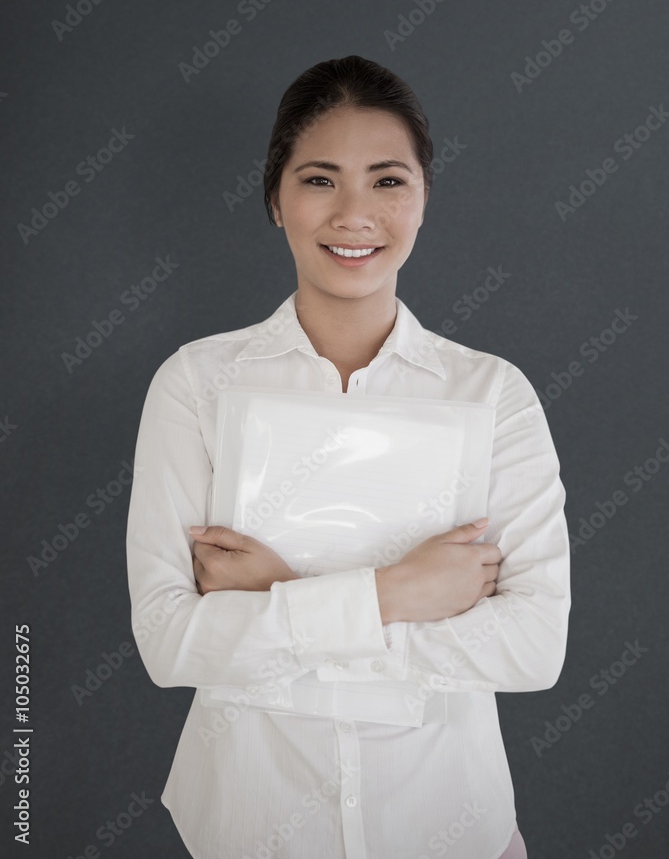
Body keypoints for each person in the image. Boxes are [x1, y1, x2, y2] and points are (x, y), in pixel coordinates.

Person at [125, 54, 571, 858]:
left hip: (451, 825)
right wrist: (401, 592)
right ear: (276, 199)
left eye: (388, 181)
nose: (355, 213)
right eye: (321, 179)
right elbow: (169, 640)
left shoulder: (491, 395)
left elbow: (532, 647)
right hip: (252, 828)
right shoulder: (197, 385)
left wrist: (283, 596)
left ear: (425, 198)